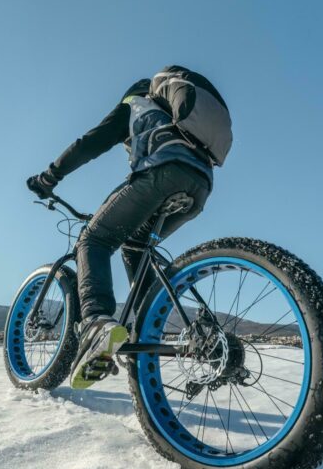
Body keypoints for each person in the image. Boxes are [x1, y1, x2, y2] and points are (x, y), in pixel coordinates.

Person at [27, 65, 230, 389]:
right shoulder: (182, 124)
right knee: (135, 246)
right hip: (200, 185)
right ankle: (152, 327)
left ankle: (96, 326)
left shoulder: (138, 102)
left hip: (162, 172)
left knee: (93, 240)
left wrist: (49, 176)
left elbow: (91, 143)